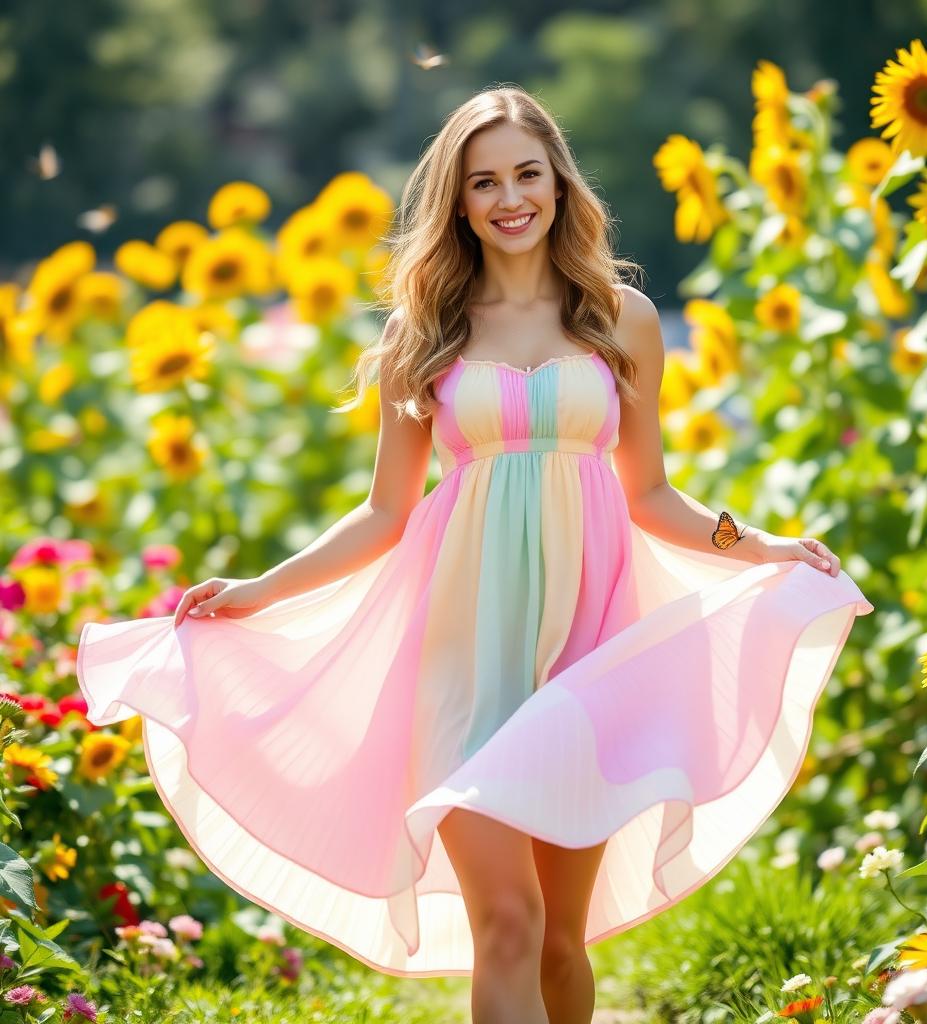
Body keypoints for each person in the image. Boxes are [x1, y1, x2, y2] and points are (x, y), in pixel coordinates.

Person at [76, 85, 874, 1023]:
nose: (509, 198)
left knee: (562, 946)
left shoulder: (624, 319)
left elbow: (650, 494)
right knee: (506, 920)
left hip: (589, 660)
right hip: (461, 658)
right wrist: (257, 589)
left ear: (559, 182)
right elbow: (382, 513)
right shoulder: (424, 334)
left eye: (526, 174)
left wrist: (762, 546)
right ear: (457, 201)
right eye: (484, 181)